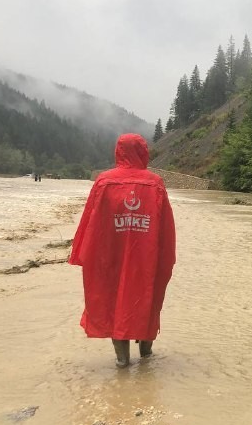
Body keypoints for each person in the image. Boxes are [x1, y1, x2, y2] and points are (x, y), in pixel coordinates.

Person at [69, 133, 176, 368]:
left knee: (114, 302)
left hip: (110, 257)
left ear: (118, 152)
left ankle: (122, 361)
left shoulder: (104, 181)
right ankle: (147, 358)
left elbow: (90, 222)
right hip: (146, 258)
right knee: (147, 299)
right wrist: (166, 258)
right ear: (143, 152)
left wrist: (81, 254)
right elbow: (166, 228)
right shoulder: (155, 183)